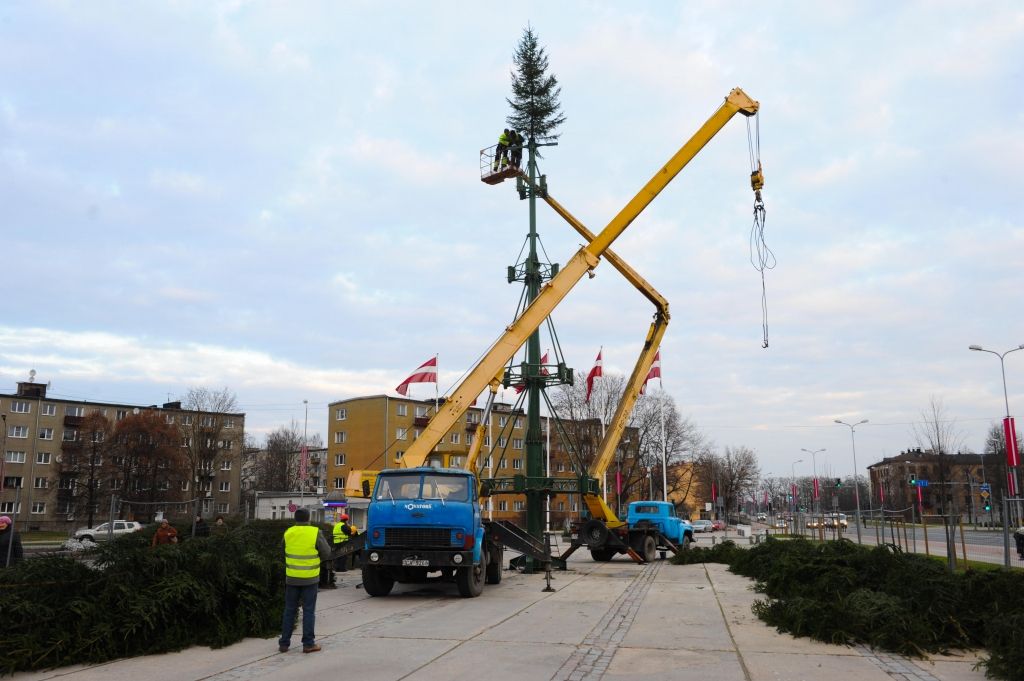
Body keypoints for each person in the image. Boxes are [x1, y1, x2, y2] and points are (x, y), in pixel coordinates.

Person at [279, 508, 331, 654]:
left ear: (295, 518)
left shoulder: (288, 532)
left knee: (289, 610)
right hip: (310, 578)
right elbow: (326, 552)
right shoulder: (315, 532)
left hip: (292, 578)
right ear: (309, 518)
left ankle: (284, 644)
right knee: (308, 611)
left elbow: (282, 551)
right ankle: (308, 644)